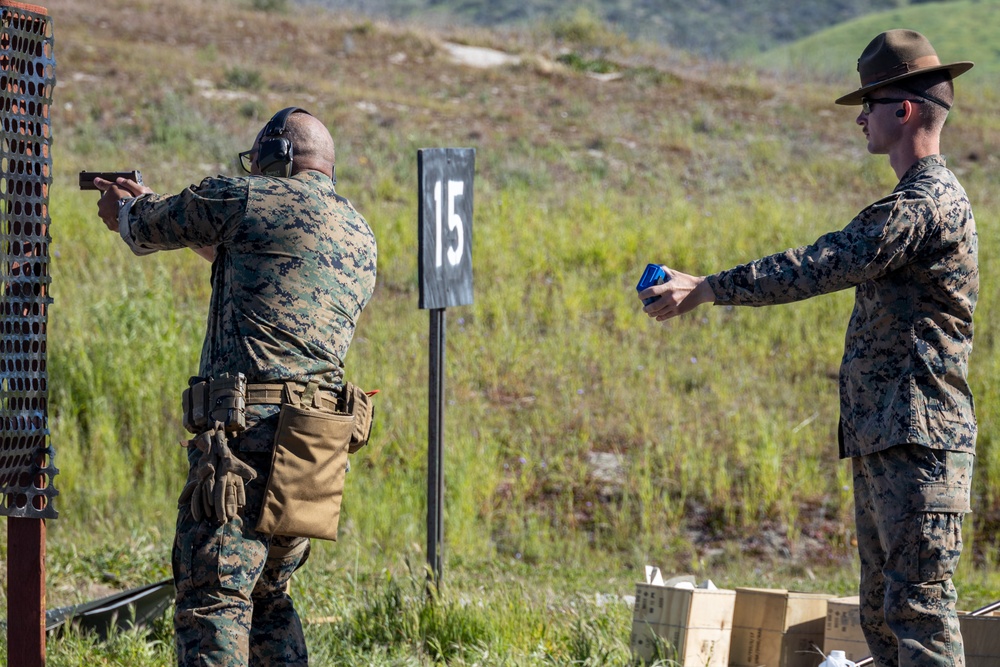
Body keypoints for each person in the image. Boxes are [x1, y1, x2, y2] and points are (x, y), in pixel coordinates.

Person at [638, 30, 976, 667]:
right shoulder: (916, 203)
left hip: (920, 444)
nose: (860, 119)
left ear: (902, 111)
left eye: (868, 104)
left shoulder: (924, 205)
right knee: (884, 618)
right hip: (890, 437)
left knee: (918, 623)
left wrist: (710, 288)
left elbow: (824, 262)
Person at [95, 107, 378, 666]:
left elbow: (152, 223)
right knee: (269, 598)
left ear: (280, 156)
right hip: (313, 451)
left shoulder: (246, 198)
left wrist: (127, 209)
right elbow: (260, 260)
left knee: (214, 601)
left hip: (244, 443)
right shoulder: (358, 233)